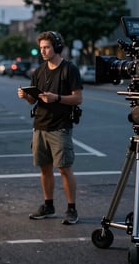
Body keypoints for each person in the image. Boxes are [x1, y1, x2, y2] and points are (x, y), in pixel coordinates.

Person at [17, 31, 83, 224]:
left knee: (64, 168)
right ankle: (48, 205)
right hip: (40, 125)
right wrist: (26, 96)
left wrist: (57, 98)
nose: (43, 51)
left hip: (60, 126)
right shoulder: (39, 71)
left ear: (57, 48)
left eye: (46, 47)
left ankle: (72, 209)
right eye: (41, 48)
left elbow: (78, 98)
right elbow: (33, 100)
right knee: (44, 169)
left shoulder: (69, 69)